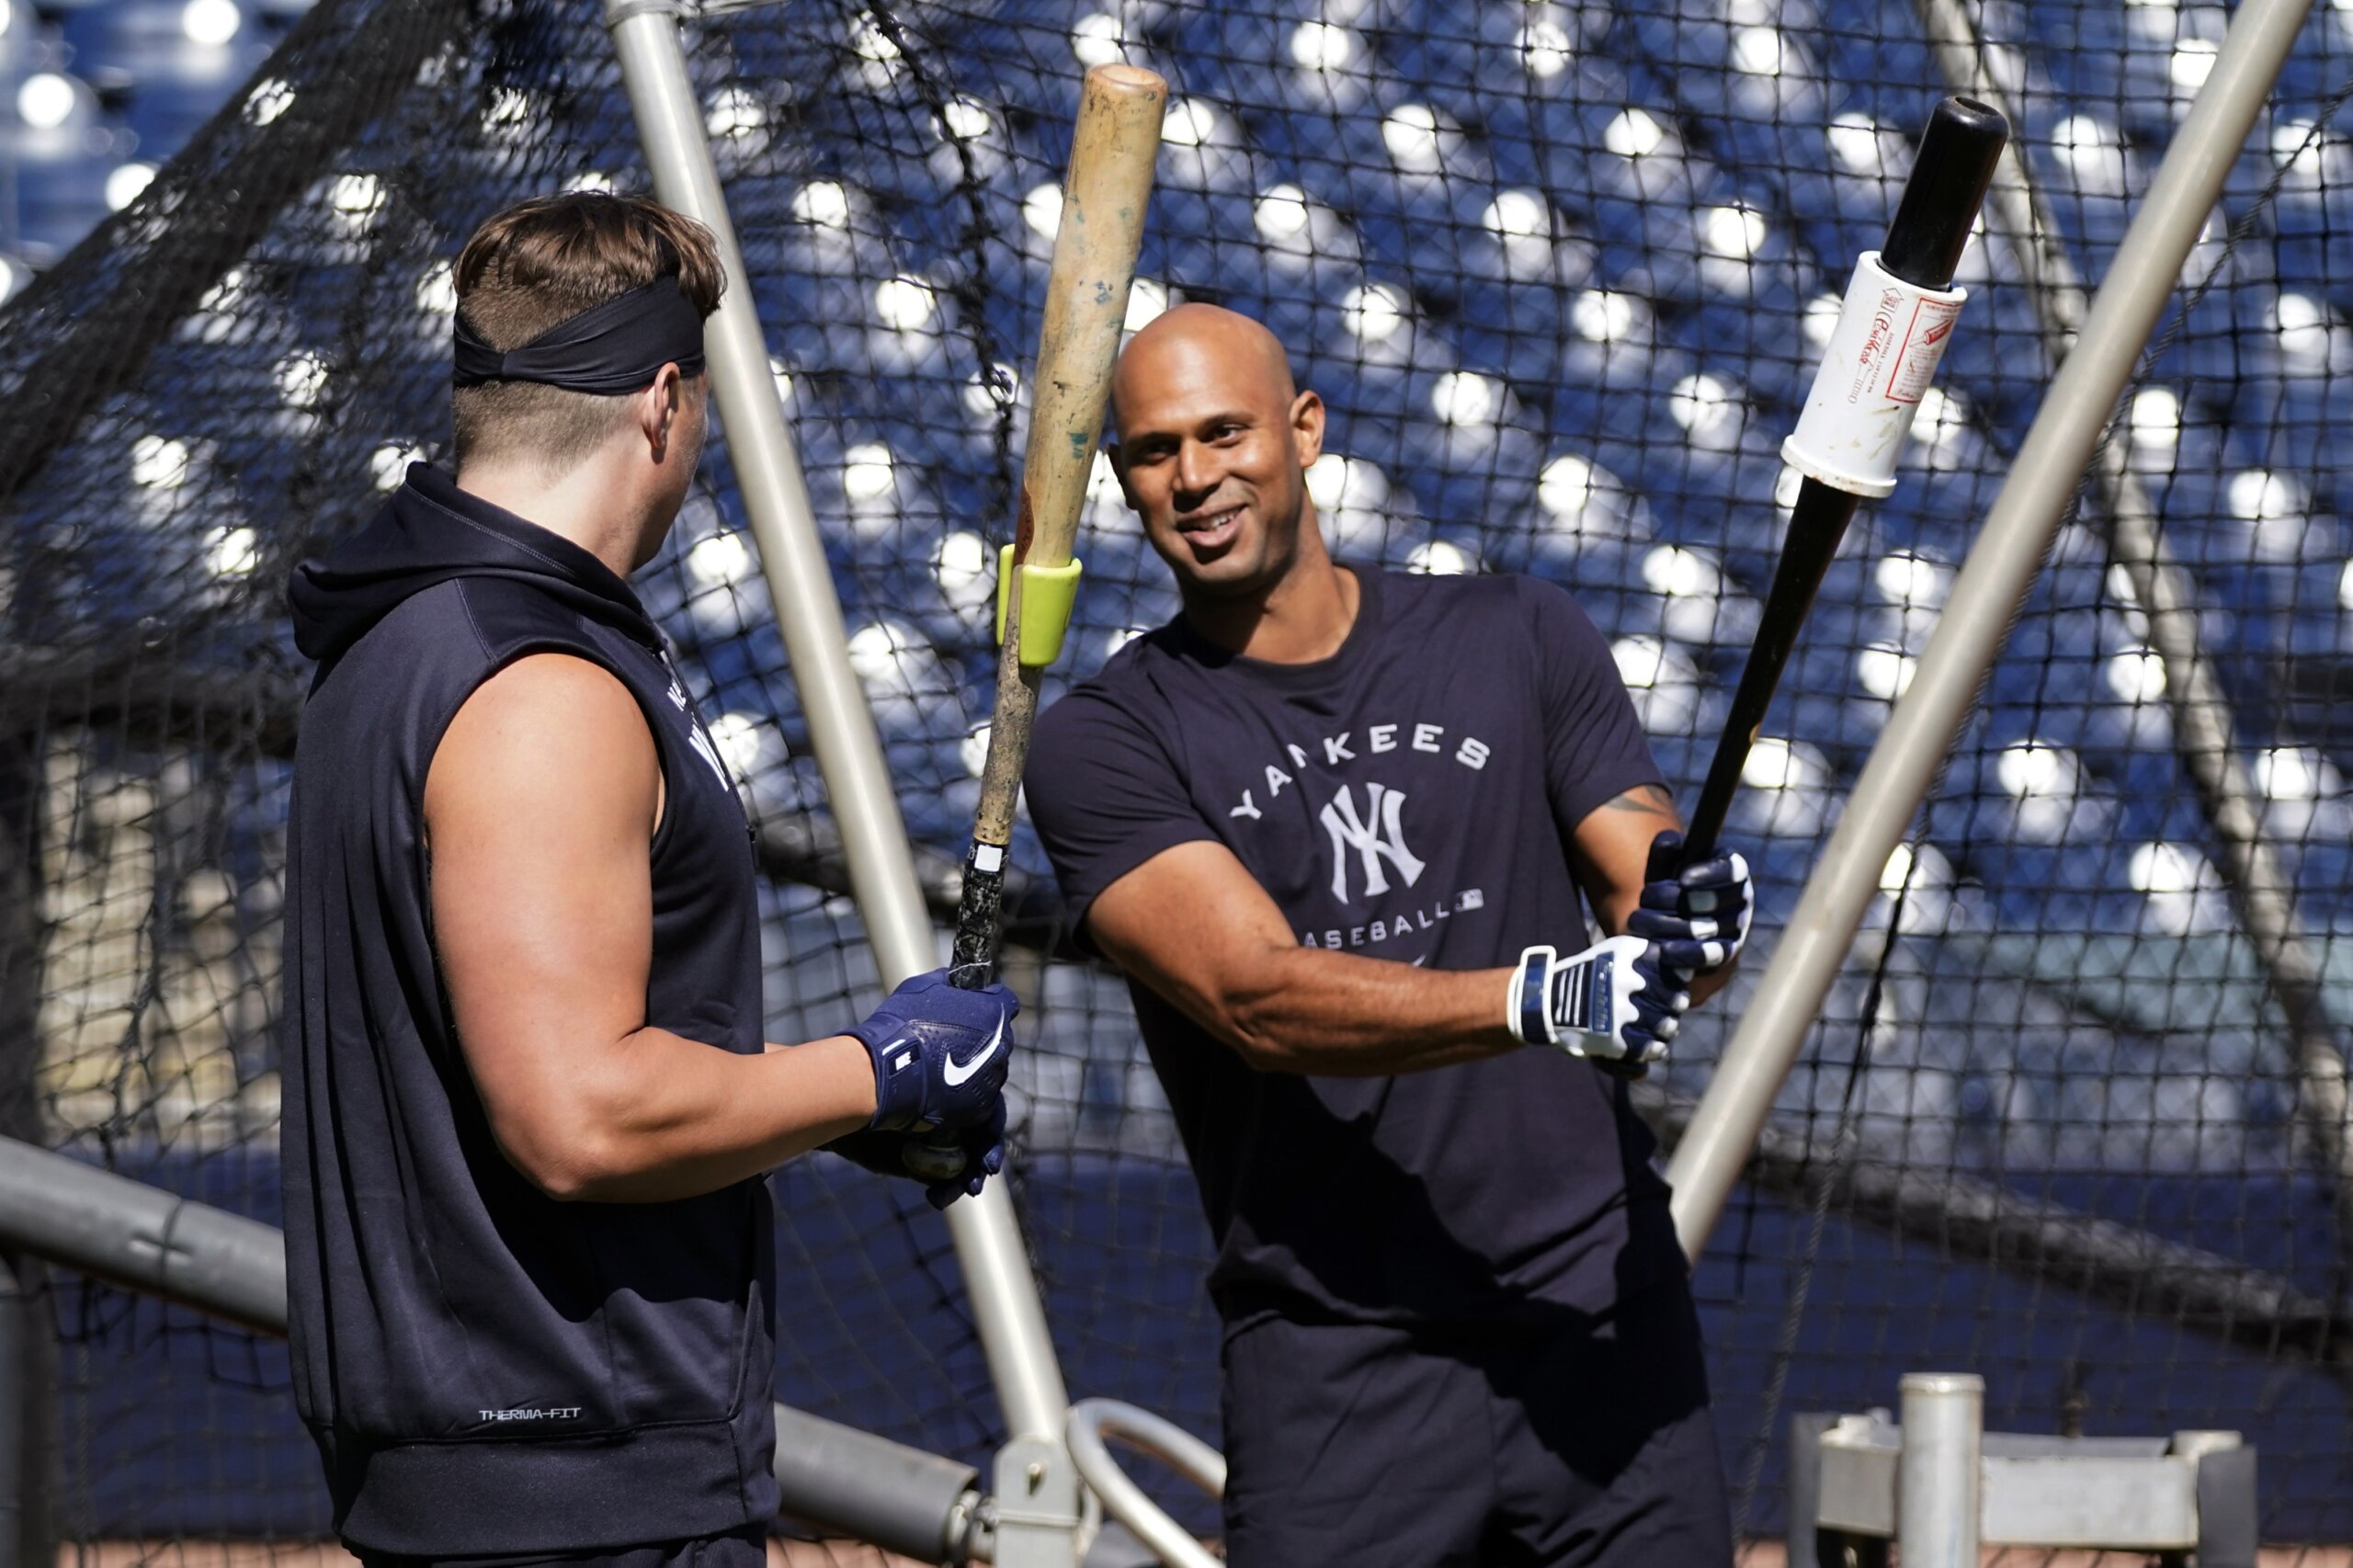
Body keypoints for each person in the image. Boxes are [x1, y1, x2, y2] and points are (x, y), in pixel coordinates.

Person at [278, 192, 1016, 1565]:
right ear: (665, 403)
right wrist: (882, 1072)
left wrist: (804, 1109)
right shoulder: (536, 681)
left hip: (504, 1474)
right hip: (577, 1486)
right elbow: (582, 1115)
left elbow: (524, 1040)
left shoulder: (396, 639)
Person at [1023, 304, 1754, 1566]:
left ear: (1303, 430)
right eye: (1154, 452)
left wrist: (1696, 923)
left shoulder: (1516, 632)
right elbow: (1258, 998)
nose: (1194, 477)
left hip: (1597, 1317)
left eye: (1225, 432)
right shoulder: (1106, 741)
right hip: (1336, 1359)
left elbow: (1647, 889)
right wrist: (1537, 999)